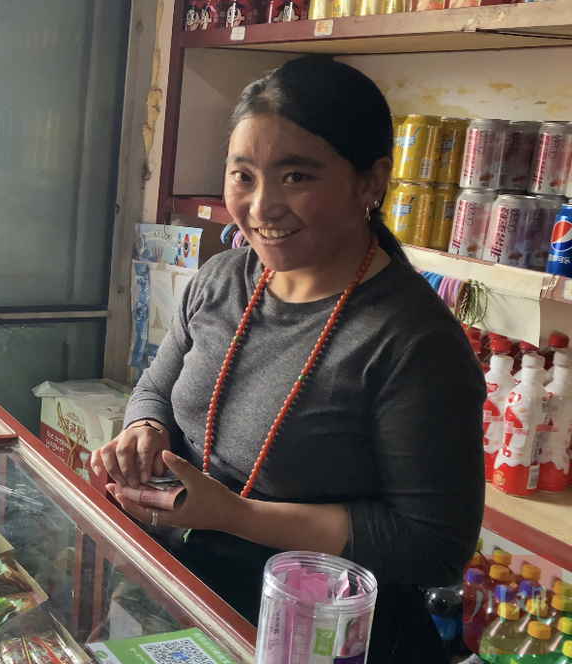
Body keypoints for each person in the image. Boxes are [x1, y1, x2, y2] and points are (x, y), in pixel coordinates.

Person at [91, 56, 484, 663]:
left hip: (325, 637)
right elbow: (156, 388)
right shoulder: (222, 279)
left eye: (296, 176)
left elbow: (433, 545)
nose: (261, 206)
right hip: (187, 599)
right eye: (243, 175)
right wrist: (145, 430)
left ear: (370, 183)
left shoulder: (413, 342)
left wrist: (237, 516)